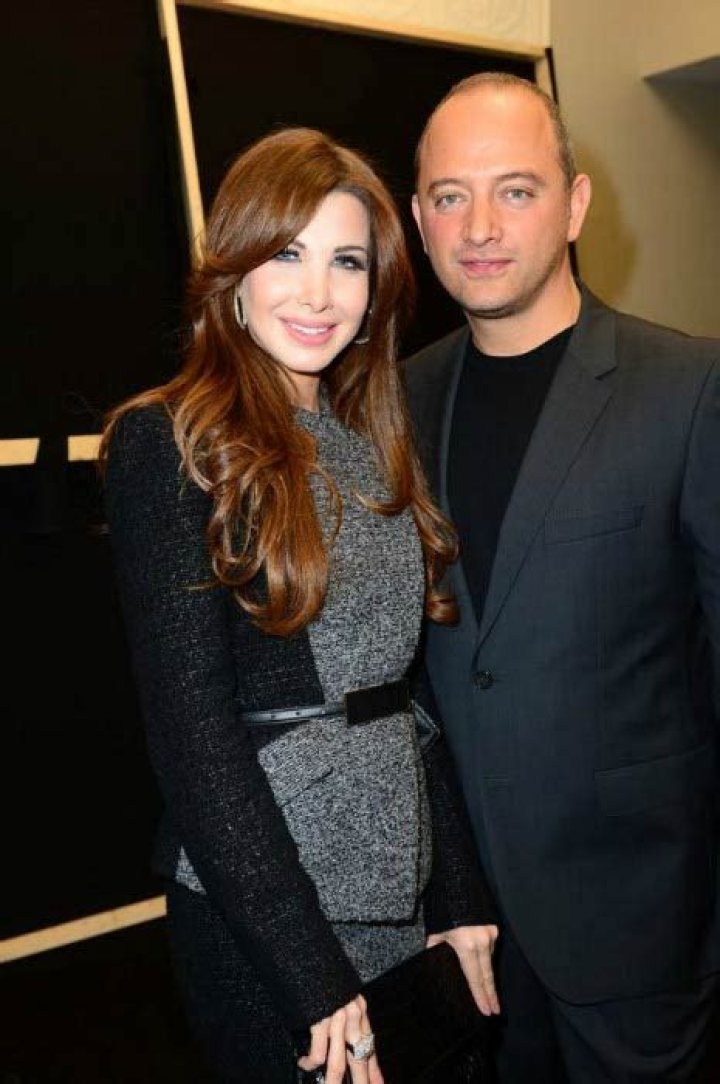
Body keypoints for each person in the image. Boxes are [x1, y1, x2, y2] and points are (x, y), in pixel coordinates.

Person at [101, 127, 500, 1084]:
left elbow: (403, 698)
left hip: (399, 879)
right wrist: (308, 971)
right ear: (234, 270)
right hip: (268, 907)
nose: (318, 293)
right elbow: (195, 740)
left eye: (347, 261)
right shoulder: (173, 441)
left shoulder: (369, 440)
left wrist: (457, 894)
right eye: (287, 254)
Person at [405, 72, 720, 1082]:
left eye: (517, 190)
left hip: (641, 922)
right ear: (418, 217)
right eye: (450, 196)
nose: (480, 227)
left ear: (576, 203)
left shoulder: (689, 390)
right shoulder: (396, 402)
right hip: (462, 928)